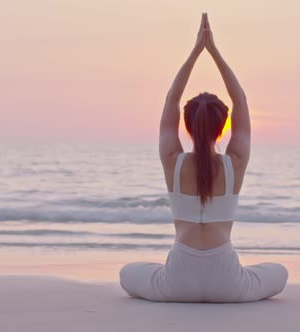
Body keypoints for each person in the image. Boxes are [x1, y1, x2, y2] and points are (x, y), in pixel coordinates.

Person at [119, 13, 288, 303]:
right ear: (224, 126)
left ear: (186, 124)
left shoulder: (173, 160)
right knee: (280, 272)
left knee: (127, 272)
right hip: (229, 284)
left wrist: (196, 50)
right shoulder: (234, 162)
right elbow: (241, 101)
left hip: (176, 282)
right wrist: (214, 52)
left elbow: (171, 99)